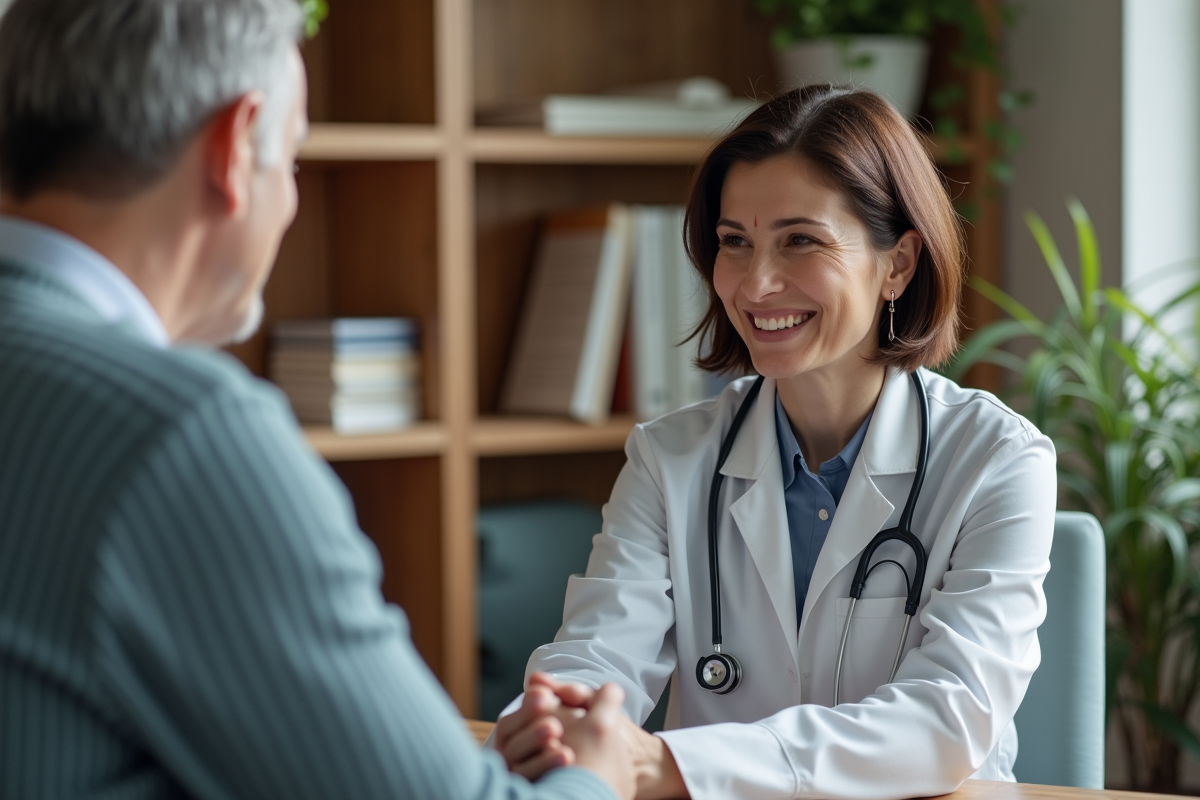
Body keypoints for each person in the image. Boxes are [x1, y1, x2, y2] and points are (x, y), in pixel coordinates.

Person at [0, 1, 635, 798]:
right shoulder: (183, 435)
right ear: (237, 146)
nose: (290, 201)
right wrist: (599, 775)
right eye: (293, 159)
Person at [494, 85, 1057, 800]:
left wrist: (669, 766)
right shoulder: (669, 459)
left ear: (898, 264)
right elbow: (598, 656)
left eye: (801, 240)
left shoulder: (998, 459)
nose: (756, 285)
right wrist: (554, 722)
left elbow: (947, 721)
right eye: (735, 242)